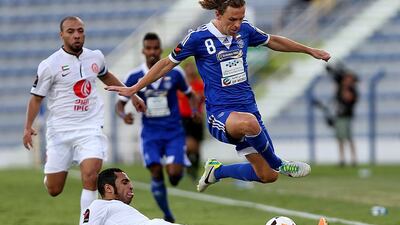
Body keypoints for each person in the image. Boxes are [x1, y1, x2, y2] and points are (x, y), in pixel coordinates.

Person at [106, 0, 330, 193]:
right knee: (251, 127)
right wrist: (134, 87)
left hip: (248, 109)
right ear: (218, 14)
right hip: (220, 115)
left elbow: (273, 40)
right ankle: (280, 163)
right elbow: (166, 64)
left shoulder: (245, 31)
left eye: (241, 18)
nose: (237, 24)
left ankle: (217, 171)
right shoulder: (198, 38)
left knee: (268, 175)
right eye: (233, 19)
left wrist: (309, 50)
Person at [22, 16, 146, 222]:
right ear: (61, 35)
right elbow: (36, 99)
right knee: (54, 189)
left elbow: (106, 76)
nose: (77, 35)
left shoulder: (95, 57)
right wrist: (27, 127)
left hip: (90, 127)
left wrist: (132, 95)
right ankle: (52, 171)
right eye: (71, 31)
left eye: (80, 30)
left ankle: (86, 221)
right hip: (60, 131)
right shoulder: (49, 65)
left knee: (90, 176)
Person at [115, 33, 198, 222]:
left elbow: (190, 94)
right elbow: (119, 104)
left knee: (174, 175)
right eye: (148, 48)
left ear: (161, 50)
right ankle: (168, 215)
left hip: (173, 132)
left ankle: (179, 168)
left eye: (155, 48)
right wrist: (123, 115)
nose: (152, 52)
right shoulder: (135, 76)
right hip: (150, 133)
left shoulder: (175, 73)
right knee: (155, 170)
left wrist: (194, 110)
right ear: (143, 50)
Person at [80, 168, 181, 225]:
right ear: (108, 189)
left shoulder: (118, 209)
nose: (131, 187)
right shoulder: (99, 205)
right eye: (125, 183)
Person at [177, 61, 205, 182]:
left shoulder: (199, 84)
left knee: (197, 146)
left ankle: (194, 170)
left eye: (192, 68)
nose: (191, 70)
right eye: (188, 68)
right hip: (185, 117)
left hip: (197, 117)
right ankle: (188, 166)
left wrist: (200, 98)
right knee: (189, 145)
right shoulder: (181, 85)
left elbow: (204, 98)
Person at [334, 72, 358, 166]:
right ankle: (342, 159)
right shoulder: (340, 88)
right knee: (340, 139)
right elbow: (336, 97)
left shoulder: (352, 90)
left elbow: (347, 98)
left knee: (349, 138)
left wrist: (345, 87)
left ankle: (353, 159)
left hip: (347, 117)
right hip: (339, 116)